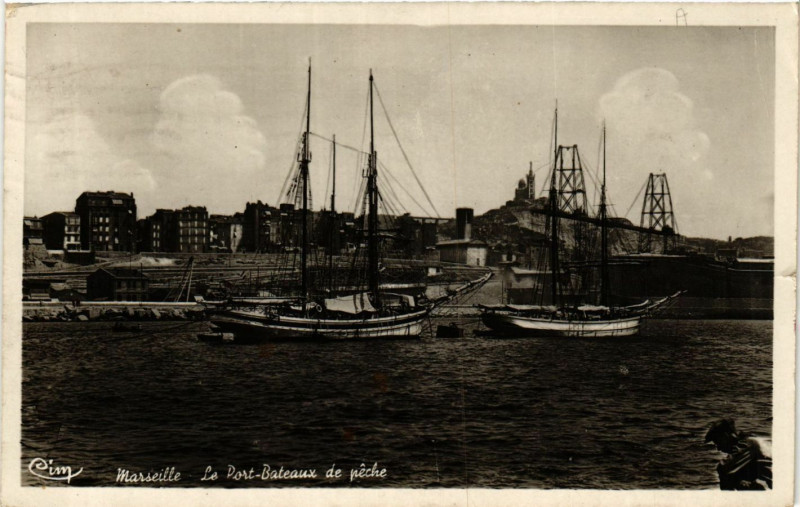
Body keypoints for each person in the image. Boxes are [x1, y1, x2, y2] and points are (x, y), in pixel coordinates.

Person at [704, 418, 772, 490]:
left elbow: (724, 468)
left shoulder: (749, 444)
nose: (718, 448)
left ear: (726, 436)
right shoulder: (749, 442)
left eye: (718, 443)